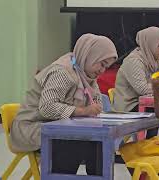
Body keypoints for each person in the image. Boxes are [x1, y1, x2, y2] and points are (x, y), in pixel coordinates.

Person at [10, 34, 118, 175]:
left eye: (107, 67)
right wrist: (84, 111)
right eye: (102, 64)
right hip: (33, 127)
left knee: (99, 142)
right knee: (72, 144)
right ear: (90, 55)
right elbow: (47, 108)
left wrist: (94, 108)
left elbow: (96, 103)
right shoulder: (63, 72)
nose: (102, 71)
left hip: (60, 127)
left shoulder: (86, 74)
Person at [112, 26, 159, 138]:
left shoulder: (158, 60)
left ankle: (158, 144)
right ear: (150, 44)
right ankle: (150, 146)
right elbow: (142, 89)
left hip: (146, 101)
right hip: (129, 106)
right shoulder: (134, 61)